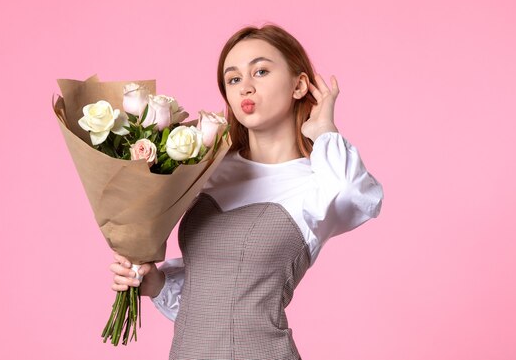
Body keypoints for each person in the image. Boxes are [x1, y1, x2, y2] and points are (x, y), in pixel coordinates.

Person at [109, 23, 384, 359]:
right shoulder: (208, 169)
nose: (246, 88)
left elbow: (356, 197)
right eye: (234, 79)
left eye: (261, 71)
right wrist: (155, 284)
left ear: (299, 85)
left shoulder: (316, 181)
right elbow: (209, 303)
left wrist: (323, 130)